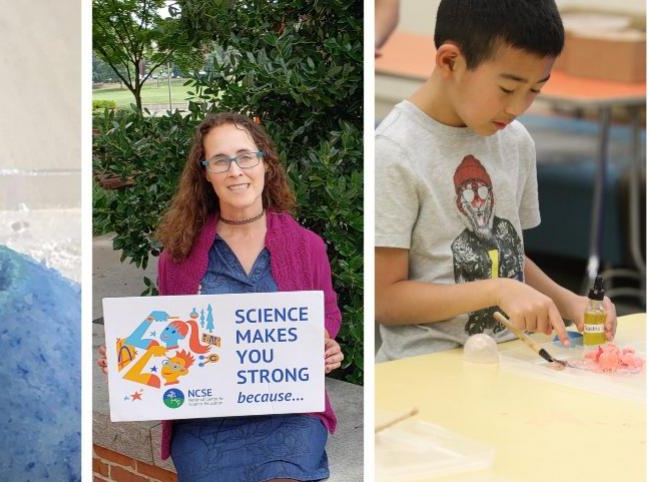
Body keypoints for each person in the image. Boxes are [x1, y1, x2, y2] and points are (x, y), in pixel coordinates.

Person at [98, 112, 344, 481]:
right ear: (206, 173)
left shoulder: (307, 247)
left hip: (288, 412)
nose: (235, 171)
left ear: (265, 163)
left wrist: (325, 344)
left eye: (245, 156)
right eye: (220, 160)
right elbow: (168, 337)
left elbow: (326, 312)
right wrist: (124, 358)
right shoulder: (179, 256)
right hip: (207, 418)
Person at [375, 0, 617, 362]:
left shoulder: (516, 141)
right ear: (450, 62)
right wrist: (497, 290)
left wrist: (570, 302)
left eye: (535, 90)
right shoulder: (394, 152)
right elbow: (384, 299)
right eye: (507, 88)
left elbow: (511, 257)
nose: (519, 107)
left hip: (512, 359)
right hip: (426, 368)